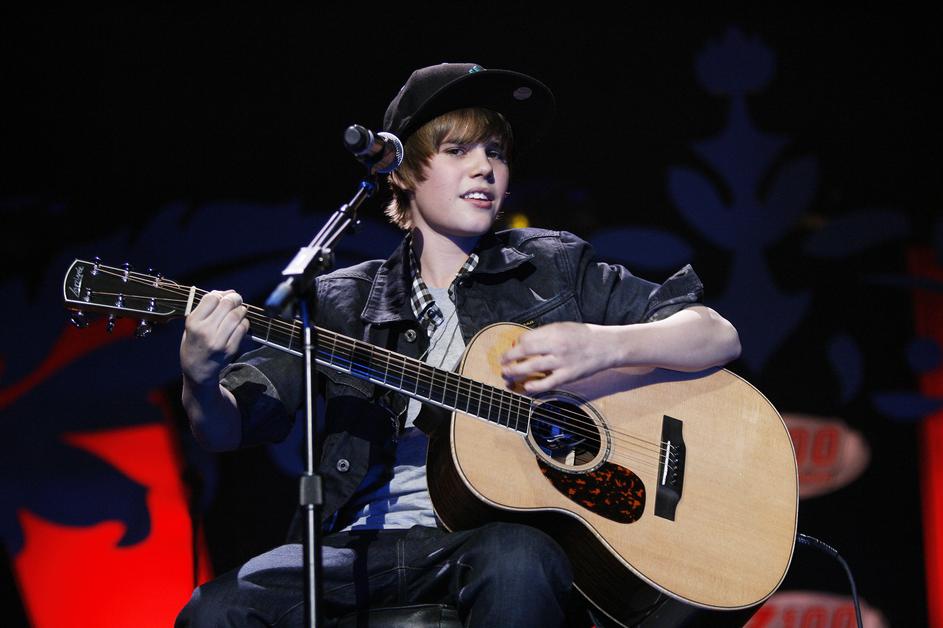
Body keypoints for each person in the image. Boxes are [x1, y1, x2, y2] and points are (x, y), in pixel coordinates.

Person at [175, 62, 741, 627]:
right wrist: (199, 377)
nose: (484, 168)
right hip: (358, 549)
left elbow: (716, 334)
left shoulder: (552, 266)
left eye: (495, 152)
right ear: (400, 171)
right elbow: (225, 428)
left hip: (493, 541)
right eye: (457, 150)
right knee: (214, 610)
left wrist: (602, 345)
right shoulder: (339, 301)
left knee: (519, 559)